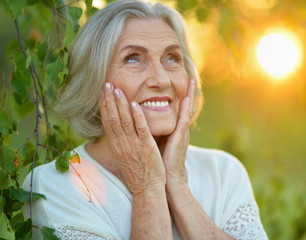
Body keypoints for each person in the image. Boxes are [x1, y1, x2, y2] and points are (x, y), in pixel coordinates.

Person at [22, 0, 268, 239]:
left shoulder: (222, 172)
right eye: (133, 59)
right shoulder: (52, 186)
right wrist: (147, 187)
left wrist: (177, 185)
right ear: (94, 82)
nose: (161, 80)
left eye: (172, 58)